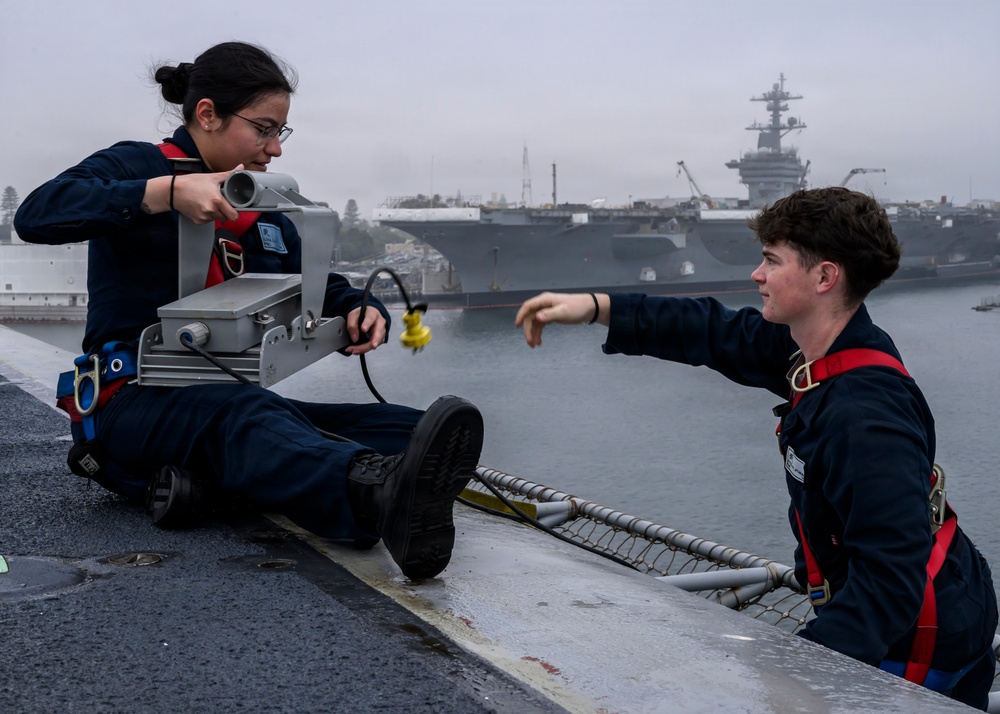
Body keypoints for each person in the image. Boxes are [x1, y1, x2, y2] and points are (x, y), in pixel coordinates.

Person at [14, 41, 484, 581]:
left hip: (223, 402)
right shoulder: (137, 166)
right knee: (249, 417)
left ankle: (353, 482)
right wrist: (166, 192)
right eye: (263, 129)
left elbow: (316, 282)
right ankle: (373, 500)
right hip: (131, 404)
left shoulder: (257, 207)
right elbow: (38, 213)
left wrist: (360, 306)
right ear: (208, 114)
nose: (274, 149)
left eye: (279, 133)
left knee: (406, 429)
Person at [514, 187, 998, 709]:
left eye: (771, 260)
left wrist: (797, 678)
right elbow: (712, 330)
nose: (756, 274)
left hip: (920, 643)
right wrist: (595, 307)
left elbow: (890, 578)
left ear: (824, 277)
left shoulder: (864, 417)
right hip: (908, 612)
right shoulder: (821, 353)